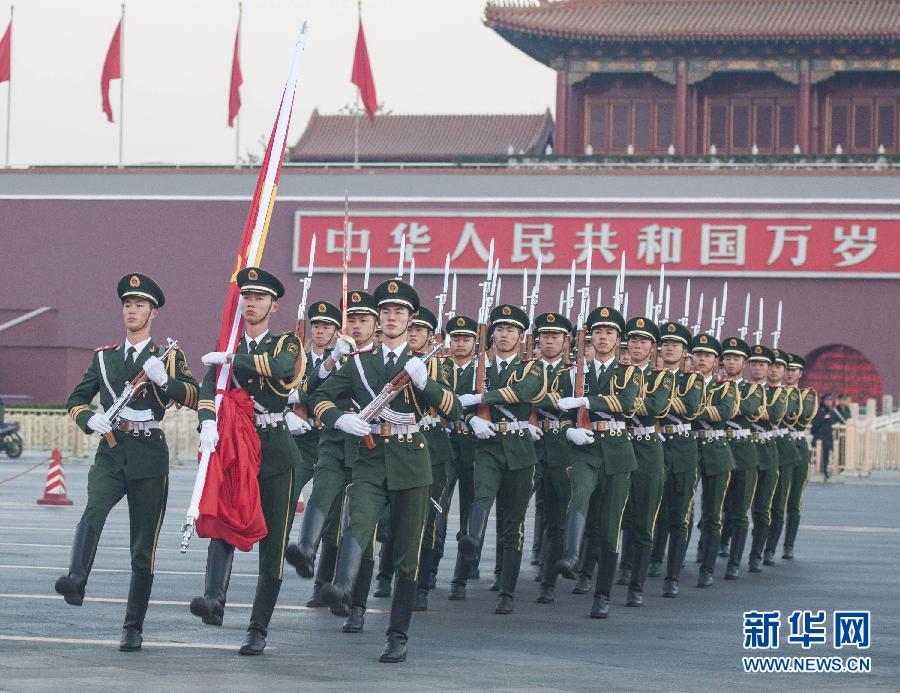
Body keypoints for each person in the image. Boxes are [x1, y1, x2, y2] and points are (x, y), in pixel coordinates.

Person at [310, 278, 460, 663]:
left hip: (413, 460)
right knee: (357, 524)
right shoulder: (360, 362)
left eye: (401, 312)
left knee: (407, 552)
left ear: (411, 321)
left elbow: (454, 409)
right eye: (387, 312)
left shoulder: (428, 363)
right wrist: (341, 419)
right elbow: (320, 396)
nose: (393, 318)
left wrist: (427, 384)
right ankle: (342, 587)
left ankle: (397, 634)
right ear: (378, 320)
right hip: (370, 457)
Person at [59, 273, 198, 651]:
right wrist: (89, 418)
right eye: (127, 304)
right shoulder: (104, 357)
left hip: (149, 450)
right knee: (94, 508)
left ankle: (133, 626)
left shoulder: (169, 356)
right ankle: (76, 579)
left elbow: (191, 394)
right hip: (112, 446)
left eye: (139, 305)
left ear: (153, 312)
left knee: (143, 543)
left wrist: (162, 379)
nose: (132, 311)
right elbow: (75, 399)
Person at [192, 267, 303, 655]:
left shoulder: (286, 342)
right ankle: (213, 599)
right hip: (235, 446)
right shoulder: (228, 341)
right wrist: (207, 422)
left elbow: (282, 370)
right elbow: (210, 388)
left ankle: (258, 628)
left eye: (259, 298)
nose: (251, 303)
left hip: (274, 449)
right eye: (247, 297)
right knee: (224, 518)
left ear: (274, 305)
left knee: (273, 542)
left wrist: (231, 357)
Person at [285, 290, 378, 615]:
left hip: (370, 450)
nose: (356, 325)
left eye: (363, 319)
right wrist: (330, 360)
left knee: (357, 526)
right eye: (351, 319)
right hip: (334, 443)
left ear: (375, 325)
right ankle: (306, 551)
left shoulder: (382, 357)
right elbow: (308, 391)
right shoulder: (338, 357)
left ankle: (354, 603)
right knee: (322, 496)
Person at [450, 304, 546, 614]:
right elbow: (457, 400)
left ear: (521, 336)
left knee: (512, 523)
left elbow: (524, 392)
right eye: (499, 330)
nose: (504, 335)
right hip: (486, 447)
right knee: (481, 496)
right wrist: (470, 419)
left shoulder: (532, 367)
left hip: (518, 448)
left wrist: (482, 399)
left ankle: (507, 589)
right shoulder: (479, 367)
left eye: (510, 330)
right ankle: (471, 541)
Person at [554, 305, 641, 619]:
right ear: (590, 338)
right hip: (585, 451)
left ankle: (602, 594)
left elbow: (627, 403)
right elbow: (561, 416)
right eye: (598, 333)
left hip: (617, 453)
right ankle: (571, 556)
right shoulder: (574, 374)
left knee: (609, 527)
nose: (603, 338)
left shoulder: (630, 373)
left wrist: (587, 401)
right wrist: (569, 433)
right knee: (578, 495)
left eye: (609, 333)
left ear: (618, 339)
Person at [374, 305, 454, 612]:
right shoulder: (387, 361)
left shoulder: (437, 367)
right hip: (391, 444)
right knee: (388, 516)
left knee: (426, 520)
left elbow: (448, 402)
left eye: (420, 329)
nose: (414, 333)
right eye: (412, 328)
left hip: (429, 447)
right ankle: (383, 573)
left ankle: (420, 582)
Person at [616, 316, 675, 606]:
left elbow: (657, 406)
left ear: (654, 348)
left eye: (644, 341)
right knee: (612, 518)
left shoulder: (662, 377)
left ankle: (636, 584)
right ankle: (595, 572)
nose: (637, 345)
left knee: (643, 519)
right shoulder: (615, 372)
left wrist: (623, 401)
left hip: (648, 447)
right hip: (617, 443)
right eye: (633, 340)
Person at [649, 321, 704, 597]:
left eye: (676, 344)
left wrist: (656, 402)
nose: (669, 348)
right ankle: (640, 563)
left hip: (682, 447)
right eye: (666, 343)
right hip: (652, 444)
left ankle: (672, 574)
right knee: (646, 509)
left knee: (679, 513)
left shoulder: (693, 380)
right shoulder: (646, 375)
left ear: (685, 352)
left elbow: (692, 407)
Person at [530, 312, 575, 604]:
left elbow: (564, 404)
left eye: (555, 336)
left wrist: (528, 398)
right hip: (530, 443)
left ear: (565, 341)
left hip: (561, 445)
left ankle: (548, 579)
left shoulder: (574, 372)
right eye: (545, 336)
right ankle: (500, 572)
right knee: (516, 509)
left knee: (557, 515)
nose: (549, 341)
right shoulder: (527, 369)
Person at [434, 316, 479, 592]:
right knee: (438, 507)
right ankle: (429, 571)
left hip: (474, 446)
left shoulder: (482, 370)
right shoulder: (441, 368)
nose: (460, 343)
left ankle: (461, 576)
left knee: (469, 513)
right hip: (446, 444)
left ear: (475, 342)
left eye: (466, 339)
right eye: (456, 338)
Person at [689, 334, 738, 588]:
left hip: (716, 449)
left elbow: (725, 411)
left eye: (707, 355)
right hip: (688, 447)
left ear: (715, 361)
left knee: (713, 512)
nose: (701, 359)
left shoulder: (725, 386)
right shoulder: (682, 382)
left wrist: (689, 409)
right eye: (698, 354)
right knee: (684, 509)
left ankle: (707, 566)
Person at [719, 336, 765, 580]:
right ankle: (709, 550)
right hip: (717, 445)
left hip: (743, 450)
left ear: (744, 362)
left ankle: (735, 561)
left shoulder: (753, 389)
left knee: (739, 510)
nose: (730, 362)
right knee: (714, 507)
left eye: (735, 358)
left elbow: (749, 409)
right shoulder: (714, 385)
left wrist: (723, 406)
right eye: (727, 358)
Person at [746, 345, 785, 573]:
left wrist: (747, 410)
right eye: (755, 363)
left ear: (769, 368)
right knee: (735, 505)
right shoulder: (740, 389)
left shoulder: (776, 393)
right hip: (743, 448)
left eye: (762, 364)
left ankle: (757, 553)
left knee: (762, 507)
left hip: (767, 452)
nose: (758, 367)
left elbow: (774, 413)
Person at [782, 354, 818, 558]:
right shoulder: (769, 392)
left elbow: (803, 415)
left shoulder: (807, 395)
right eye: (787, 369)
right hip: (778, 443)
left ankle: (789, 543)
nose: (789, 373)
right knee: (773, 500)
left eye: (793, 370)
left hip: (797, 444)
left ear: (800, 373)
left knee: (795, 499)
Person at [812, 393, 836, 481]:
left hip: (827, 437)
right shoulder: (820, 410)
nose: (829, 402)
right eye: (827, 400)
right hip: (820, 437)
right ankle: (821, 471)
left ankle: (825, 470)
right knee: (820, 455)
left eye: (830, 400)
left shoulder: (830, 411)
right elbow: (816, 424)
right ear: (823, 401)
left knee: (826, 455)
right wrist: (824, 418)